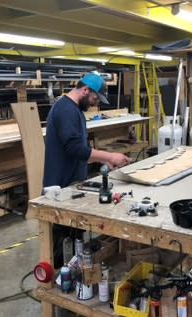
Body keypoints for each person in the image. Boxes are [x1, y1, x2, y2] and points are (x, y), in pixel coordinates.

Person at [43, 72, 130, 267]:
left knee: (75, 242)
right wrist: (110, 156)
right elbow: (74, 148)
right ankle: (63, 279)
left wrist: (103, 162)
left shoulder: (74, 110)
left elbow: (79, 151)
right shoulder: (65, 110)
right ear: (85, 90)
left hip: (72, 185)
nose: (94, 103)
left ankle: (76, 271)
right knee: (62, 248)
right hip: (61, 187)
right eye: (94, 98)